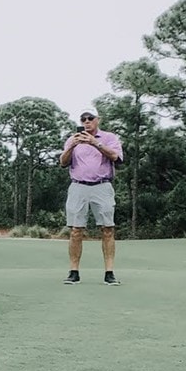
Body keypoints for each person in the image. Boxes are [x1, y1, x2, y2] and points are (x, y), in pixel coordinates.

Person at [59, 107, 123, 286]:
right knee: (75, 230)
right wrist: (72, 145)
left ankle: (109, 273)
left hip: (102, 186)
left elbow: (116, 158)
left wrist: (95, 143)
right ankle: (73, 272)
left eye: (90, 118)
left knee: (107, 229)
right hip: (78, 186)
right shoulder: (73, 139)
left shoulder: (109, 138)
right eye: (83, 119)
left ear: (98, 119)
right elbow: (63, 162)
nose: (86, 122)